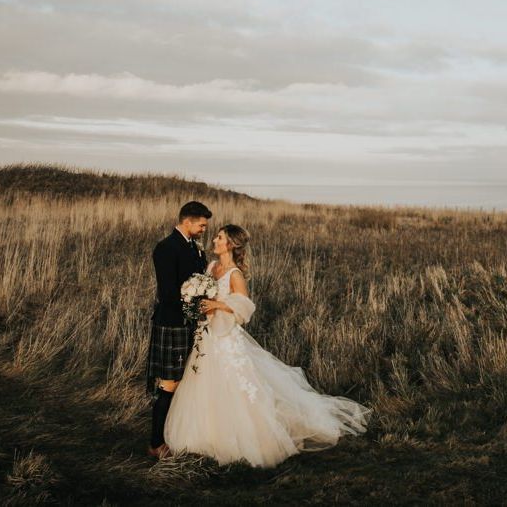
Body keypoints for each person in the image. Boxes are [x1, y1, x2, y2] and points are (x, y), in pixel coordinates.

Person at [163, 224, 370, 468]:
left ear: (230, 244)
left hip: (226, 337)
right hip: (206, 334)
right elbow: (203, 295)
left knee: (235, 386)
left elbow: (245, 306)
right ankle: (202, 436)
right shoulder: (210, 267)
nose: (215, 240)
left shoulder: (235, 274)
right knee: (203, 383)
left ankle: (245, 438)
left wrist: (217, 306)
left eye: (219, 237)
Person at [146, 200, 211, 459]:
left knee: (184, 382)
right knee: (169, 384)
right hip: (172, 323)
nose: (205, 229)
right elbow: (168, 292)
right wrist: (196, 306)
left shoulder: (194, 248)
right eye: (202, 225)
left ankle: (177, 434)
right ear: (188, 221)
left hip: (190, 324)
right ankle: (155, 443)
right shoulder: (166, 247)